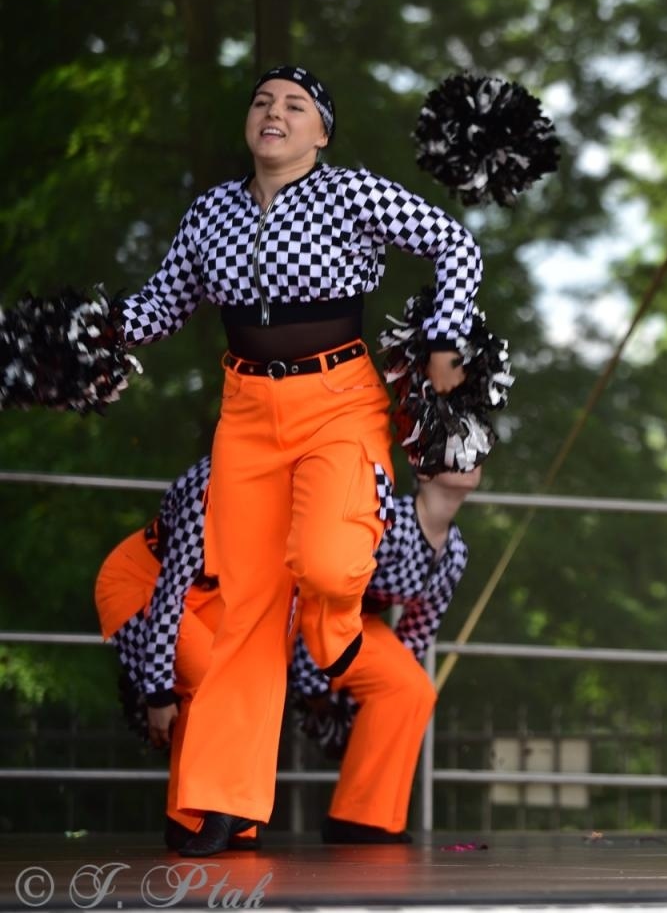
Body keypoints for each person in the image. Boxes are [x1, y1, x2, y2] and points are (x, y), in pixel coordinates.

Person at [115, 65, 483, 855]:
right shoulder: (211, 212)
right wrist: (93, 337)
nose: (273, 113)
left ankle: (336, 629)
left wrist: (446, 339)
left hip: (338, 401)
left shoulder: (352, 193)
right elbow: (157, 307)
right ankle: (217, 802)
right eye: (261, 102)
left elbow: (454, 242)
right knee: (247, 606)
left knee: (324, 561)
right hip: (245, 410)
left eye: (294, 106)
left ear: (321, 133)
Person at [288, 468, 481, 843]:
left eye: (476, 454)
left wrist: (384, 679)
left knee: (413, 690)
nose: (468, 460)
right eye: (453, 449)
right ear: (424, 470)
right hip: (312, 612)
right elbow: (324, 581)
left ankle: (368, 818)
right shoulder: (388, 521)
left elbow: (419, 628)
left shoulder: (455, 551)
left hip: (360, 625)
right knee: (401, 685)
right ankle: (356, 816)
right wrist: (314, 680)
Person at [93, 457, 258, 852]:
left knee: (248, 670)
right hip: (141, 580)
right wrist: (158, 692)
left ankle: (232, 812)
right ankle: (189, 817)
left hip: (208, 591)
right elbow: (168, 594)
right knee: (206, 677)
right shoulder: (209, 491)